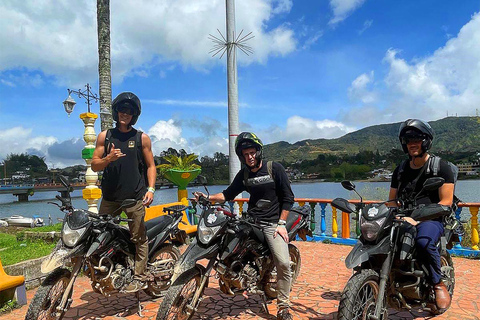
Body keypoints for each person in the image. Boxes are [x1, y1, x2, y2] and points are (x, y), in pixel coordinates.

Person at [194, 132, 295, 320]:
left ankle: (283, 306)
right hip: (250, 220)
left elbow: (289, 198)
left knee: (283, 263)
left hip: (272, 223)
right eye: (245, 154)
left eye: (252, 153)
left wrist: (281, 224)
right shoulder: (245, 174)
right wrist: (207, 198)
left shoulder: (275, 169)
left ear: (258, 151)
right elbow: (228, 194)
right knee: (226, 242)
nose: (249, 157)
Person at [91, 92, 156, 293]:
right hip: (110, 198)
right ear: (116, 111)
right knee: (101, 235)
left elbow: (151, 165)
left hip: (134, 198)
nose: (124, 114)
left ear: (134, 115)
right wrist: (108, 158)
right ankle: (109, 269)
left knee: (139, 237)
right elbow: (94, 166)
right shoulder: (105, 136)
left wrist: (151, 189)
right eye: (121, 110)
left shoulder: (141, 138)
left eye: (129, 111)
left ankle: (139, 274)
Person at [388, 119, 454, 311]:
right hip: (403, 217)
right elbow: (391, 200)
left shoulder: (441, 167)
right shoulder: (400, 170)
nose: (412, 143)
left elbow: (446, 202)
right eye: (408, 139)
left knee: (424, 242)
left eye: (417, 138)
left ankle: (437, 283)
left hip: (432, 218)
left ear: (426, 141)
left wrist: (417, 219)